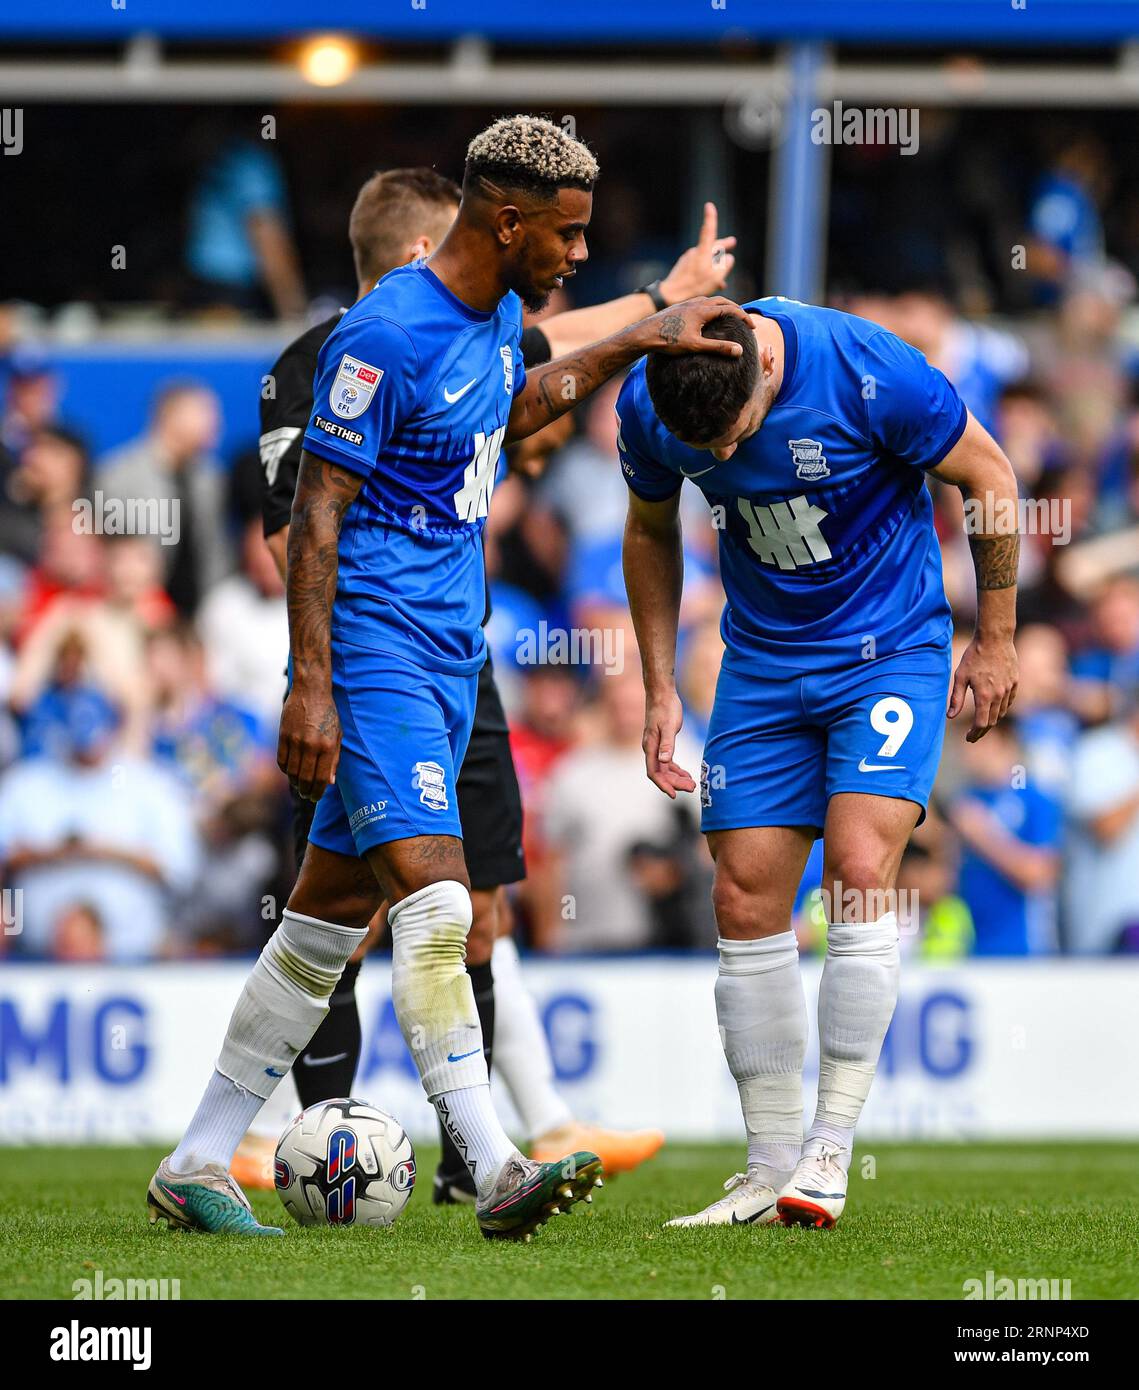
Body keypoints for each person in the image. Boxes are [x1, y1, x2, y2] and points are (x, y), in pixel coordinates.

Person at [147, 114, 745, 1240]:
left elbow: (507, 414)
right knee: (433, 903)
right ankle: (497, 1158)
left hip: (446, 658)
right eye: (563, 235)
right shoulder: (382, 337)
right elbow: (315, 511)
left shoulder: (493, 320)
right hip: (371, 651)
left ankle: (192, 1159)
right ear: (506, 221)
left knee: (322, 927)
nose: (574, 256)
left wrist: (634, 339)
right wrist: (312, 684)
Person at [616, 297, 1019, 1229]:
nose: (719, 460)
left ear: (763, 371)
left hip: (888, 649)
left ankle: (829, 1153)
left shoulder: (869, 370)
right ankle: (766, 1168)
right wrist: (658, 683)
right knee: (743, 896)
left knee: (858, 870)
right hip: (759, 661)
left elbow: (990, 477)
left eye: (734, 438)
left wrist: (994, 641)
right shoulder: (650, 400)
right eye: (701, 450)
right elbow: (647, 530)